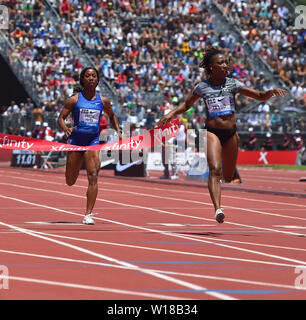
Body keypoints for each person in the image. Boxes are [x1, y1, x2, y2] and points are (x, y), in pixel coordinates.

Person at [158, 47, 287, 223]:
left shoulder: (233, 84)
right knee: (214, 169)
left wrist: (270, 93)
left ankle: (221, 191)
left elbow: (258, 95)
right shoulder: (202, 87)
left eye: (226, 62)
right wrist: (171, 114)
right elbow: (186, 105)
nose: (225, 65)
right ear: (211, 67)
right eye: (221, 63)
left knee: (227, 176)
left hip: (231, 133)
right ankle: (218, 208)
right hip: (212, 132)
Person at [58, 67, 122, 225]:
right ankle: (71, 174)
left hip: (93, 140)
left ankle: (88, 214)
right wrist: (65, 128)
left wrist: (118, 131)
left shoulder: (103, 101)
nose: (91, 78)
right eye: (88, 76)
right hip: (75, 141)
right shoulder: (74, 99)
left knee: (93, 176)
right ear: (82, 80)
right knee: (70, 181)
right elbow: (61, 118)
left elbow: (112, 116)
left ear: (98, 80)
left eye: (94, 76)